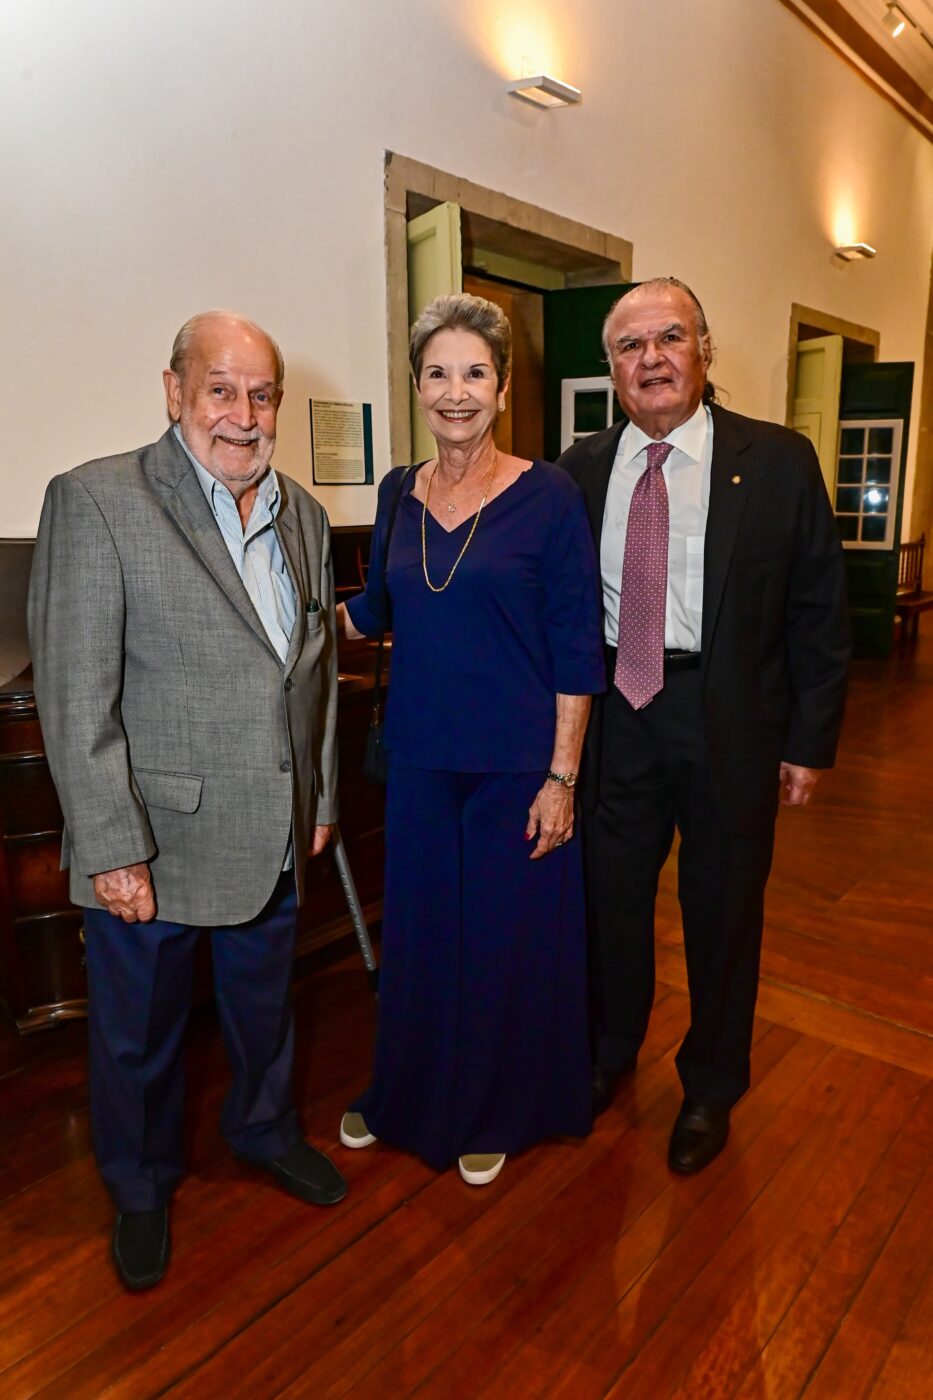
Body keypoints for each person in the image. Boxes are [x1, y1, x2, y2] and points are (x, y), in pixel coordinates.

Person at [28, 311, 347, 1291]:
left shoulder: (303, 513)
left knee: (265, 1012)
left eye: (261, 395)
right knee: (137, 1033)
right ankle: (138, 1182)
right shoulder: (98, 500)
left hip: (274, 829)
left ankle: (261, 1127)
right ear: (174, 390)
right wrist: (111, 843)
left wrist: (321, 790)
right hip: (152, 844)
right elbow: (74, 692)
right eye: (221, 388)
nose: (243, 415)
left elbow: (314, 672)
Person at [558, 278, 850, 1174]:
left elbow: (817, 609)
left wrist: (808, 741)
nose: (650, 359)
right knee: (606, 905)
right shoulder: (576, 470)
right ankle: (608, 1055)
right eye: (629, 347)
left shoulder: (776, 460)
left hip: (729, 722)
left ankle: (710, 1085)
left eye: (668, 338)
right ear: (610, 368)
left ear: (703, 349)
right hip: (616, 720)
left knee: (722, 910)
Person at [337, 293, 604, 1185]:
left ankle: (497, 1107)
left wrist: (560, 777)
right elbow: (375, 608)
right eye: (438, 373)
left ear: (501, 386)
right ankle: (405, 1098)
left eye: (474, 373)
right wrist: (268, 607)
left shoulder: (548, 495)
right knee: (417, 939)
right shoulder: (395, 491)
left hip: (514, 766)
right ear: (417, 385)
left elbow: (575, 645)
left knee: (499, 943)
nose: (456, 392)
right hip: (418, 758)